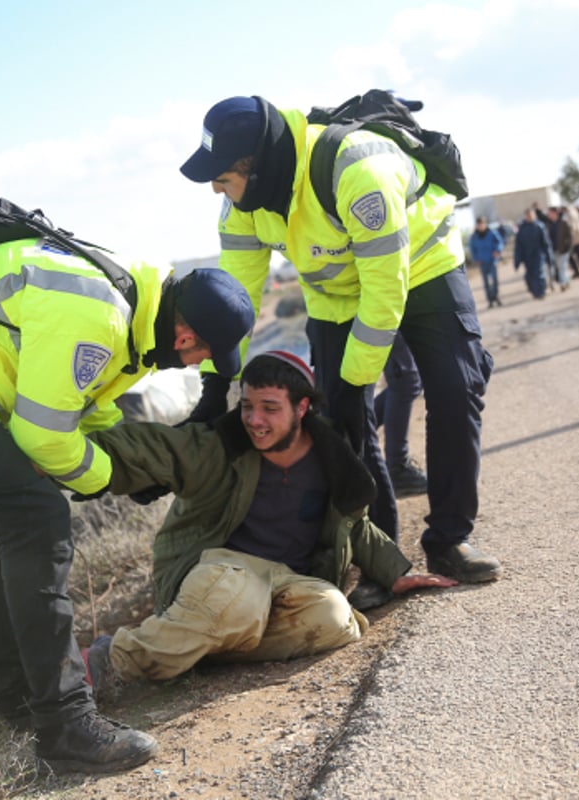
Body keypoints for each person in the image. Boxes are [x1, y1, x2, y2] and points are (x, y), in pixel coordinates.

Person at [0, 235, 254, 774]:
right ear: (185, 335)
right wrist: (108, 476)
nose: (197, 363)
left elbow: (85, 407)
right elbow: (43, 435)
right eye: (202, 354)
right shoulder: (97, 314)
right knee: (36, 519)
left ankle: (15, 700)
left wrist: (133, 472)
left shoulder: (131, 313)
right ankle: (65, 723)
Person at [178, 95, 502, 614]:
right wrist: (216, 386)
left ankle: (448, 540)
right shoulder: (241, 207)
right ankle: (381, 561)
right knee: (343, 425)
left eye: (222, 177)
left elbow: (385, 291)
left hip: (419, 267)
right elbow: (235, 303)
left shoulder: (357, 169)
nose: (216, 188)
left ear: (254, 168)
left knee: (455, 388)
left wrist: (356, 382)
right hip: (335, 296)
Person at [80, 350, 457, 691]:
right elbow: (153, 448)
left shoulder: (331, 455)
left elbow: (353, 526)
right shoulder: (219, 446)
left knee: (334, 618)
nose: (254, 420)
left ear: (302, 407)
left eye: (269, 408)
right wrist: (71, 455)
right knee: (234, 599)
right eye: (247, 406)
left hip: (284, 582)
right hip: (218, 571)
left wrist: (396, 571)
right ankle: (109, 660)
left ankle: (193, 646)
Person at [373, 334, 428, 498]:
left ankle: (351, 439)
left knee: (409, 379)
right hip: (376, 313)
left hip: (381, 313)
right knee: (405, 378)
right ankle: (397, 466)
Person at [514, 208, 553, 300]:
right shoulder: (522, 229)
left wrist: (549, 256)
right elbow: (518, 246)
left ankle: (541, 291)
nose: (530, 217)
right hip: (527, 257)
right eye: (528, 215)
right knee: (530, 276)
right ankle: (535, 292)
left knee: (539, 274)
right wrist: (517, 260)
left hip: (538, 255)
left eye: (532, 215)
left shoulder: (540, 226)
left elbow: (546, 243)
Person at [468, 216, 505, 308]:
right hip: (482, 262)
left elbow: (500, 242)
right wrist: (476, 259)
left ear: (485, 224)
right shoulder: (474, 237)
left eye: (482, 224)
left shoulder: (492, 233)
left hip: (492, 261)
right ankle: (490, 300)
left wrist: (497, 250)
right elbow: (472, 249)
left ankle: (496, 296)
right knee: (486, 283)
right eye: (479, 225)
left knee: (495, 280)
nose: (481, 226)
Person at [547, 207, 573, 291]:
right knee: (560, 267)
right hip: (554, 250)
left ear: (555, 213)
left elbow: (569, 236)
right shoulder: (549, 225)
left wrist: (567, 246)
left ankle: (563, 284)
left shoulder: (563, 222)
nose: (549, 215)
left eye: (550, 213)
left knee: (562, 266)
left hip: (564, 249)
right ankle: (566, 281)